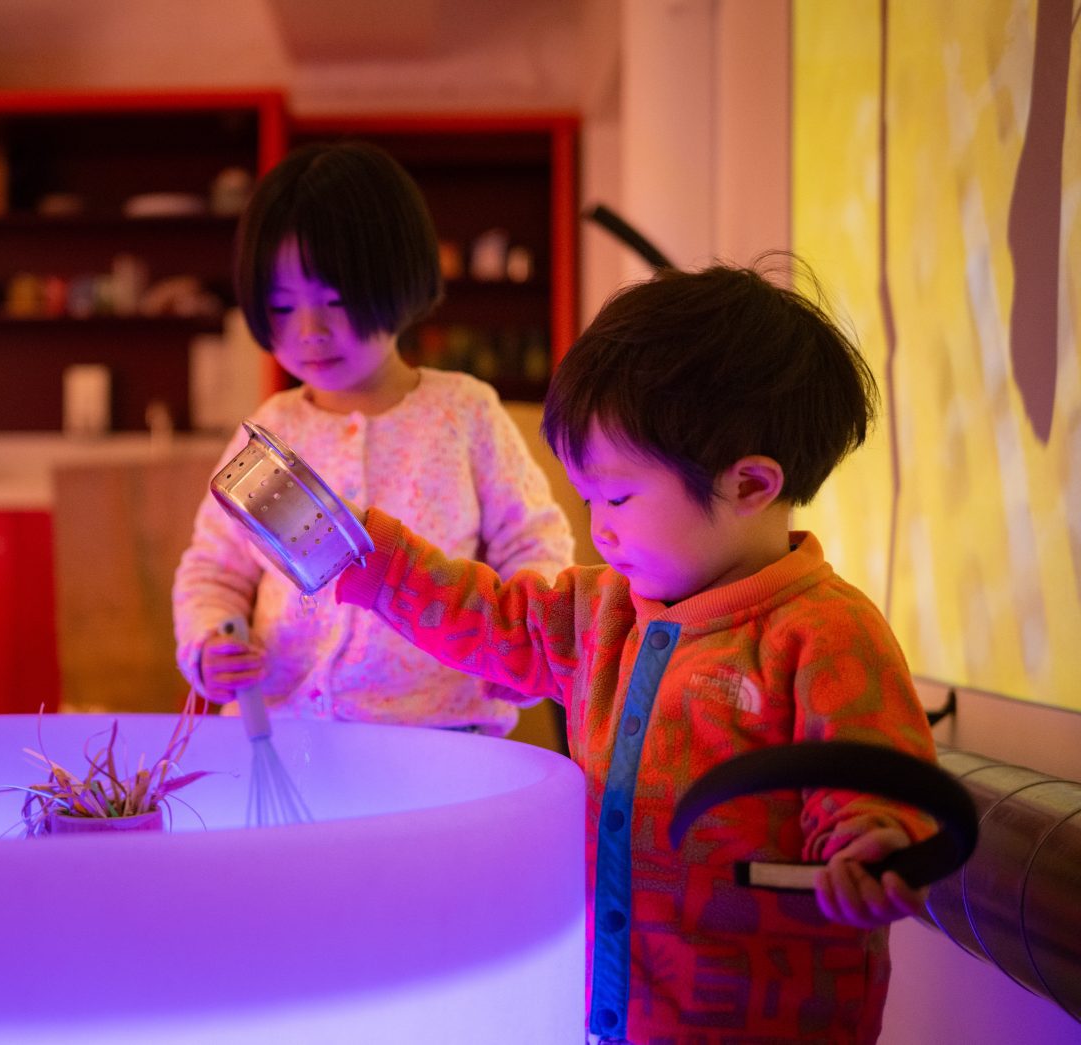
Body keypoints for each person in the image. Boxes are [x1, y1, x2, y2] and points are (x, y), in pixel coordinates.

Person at [334, 258, 939, 1043]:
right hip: (618, 1015)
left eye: (618, 496)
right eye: (588, 498)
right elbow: (489, 618)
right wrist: (376, 562)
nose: (600, 527)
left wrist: (874, 844)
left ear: (750, 485)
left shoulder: (825, 633)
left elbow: (872, 784)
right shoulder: (600, 609)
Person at [172, 141, 573, 735]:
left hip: (440, 731)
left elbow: (534, 543)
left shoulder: (464, 412)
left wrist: (523, 640)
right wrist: (209, 641)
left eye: (335, 300)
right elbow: (214, 567)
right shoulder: (273, 427)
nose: (309, 330)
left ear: (397, 281)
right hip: (289, 732)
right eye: (280, 307)